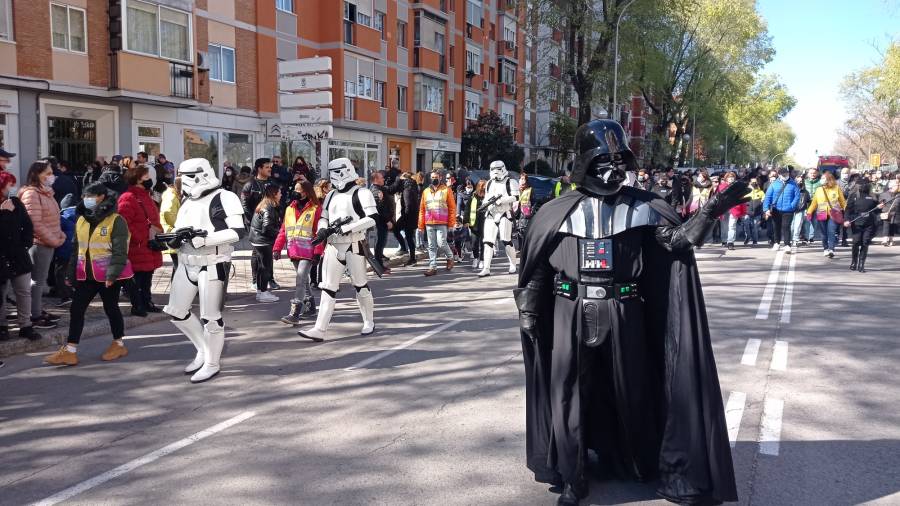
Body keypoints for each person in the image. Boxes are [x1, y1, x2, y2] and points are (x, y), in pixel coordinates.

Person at [515, 119, 739, 506]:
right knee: (568, 394)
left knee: (633, 387)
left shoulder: (645, 208)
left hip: (625, 312)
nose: (615, 169)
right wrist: (530, 309)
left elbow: (677, 243)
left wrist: (713, 210)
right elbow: (537, 266)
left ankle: (638, 461)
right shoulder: (555, 211)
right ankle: (573, 477)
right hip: (569, 310)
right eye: (606, 159)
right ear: (586, 161)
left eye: (621, 160)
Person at [163, 158, 246, 384]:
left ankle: (212, 362)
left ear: (202, 174)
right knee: (176, 311)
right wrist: (171, 241)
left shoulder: (225, 197)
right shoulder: (188, 201)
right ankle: (203, 351)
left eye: (187, 176)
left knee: (211, 317)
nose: (183, 181)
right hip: (186, 262)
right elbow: (179, 232)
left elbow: (238, 231)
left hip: (213, 261)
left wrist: (207, 239)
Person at [44, 183, 133, 366]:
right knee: (76, 309)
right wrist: (71, 274)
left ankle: (118, 343)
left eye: (91, 195)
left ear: (102, 197)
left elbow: (120, 250)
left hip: (108, 276)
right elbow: (76, 249)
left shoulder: (116, 220)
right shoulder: (82, 220)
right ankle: (70, 351)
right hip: (86, 276)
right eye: (85, 195)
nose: (87, 199)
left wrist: (112, 274)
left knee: (111, 308)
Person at [297, 158, 377, 342]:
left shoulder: (362, 193)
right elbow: (324, 216)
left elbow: (372, 218)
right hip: (333, 245)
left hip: (354, 244)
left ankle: (368, 321)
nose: (334, 176)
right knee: (328, 288)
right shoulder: (331, 195)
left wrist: (349, 228)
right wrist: (323, 229)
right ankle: (319, 328)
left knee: (360, 285)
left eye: (337, 172)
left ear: (346, 170)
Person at [19, 161, 65, 329]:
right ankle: (34, 315)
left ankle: (36, 310)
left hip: (50, 241)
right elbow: (35, 223)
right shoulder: (32, 194)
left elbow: (54, 217)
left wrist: (59, 235)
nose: (51, 176)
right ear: (37, 174)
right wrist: (53, 239)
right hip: (40, 243)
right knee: (37, 281)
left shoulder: (46, 192)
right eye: (47, 172)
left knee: (40, 280)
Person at [117, 164, 164, 316]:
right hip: (137, 245)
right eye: (146, 177)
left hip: (149, 244)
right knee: (137, 278)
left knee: (148, 276)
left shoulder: (146, 195)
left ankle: (147, 302)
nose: (149, 179)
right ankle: (137, 305)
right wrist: (139, 237)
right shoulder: (128, 198)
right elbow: (124, 223)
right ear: (137, 179)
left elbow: (153, 218)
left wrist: (157, 231)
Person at [274, 180, 322, 324]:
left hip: (308, 252)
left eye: (298, 189)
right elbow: (283, 230)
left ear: (306, 192)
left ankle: (295, 313)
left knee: (300, 279)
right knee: (304, 280)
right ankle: (311, 307)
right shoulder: (289, 209)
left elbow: (319, 232)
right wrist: (277, 248)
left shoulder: (315, 209)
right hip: (294, 251)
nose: (294, 191)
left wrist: (318, 252)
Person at [0, 171, 41, 342]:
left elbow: (27, 225)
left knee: (23, 290)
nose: (12, 187)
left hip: (18, 254)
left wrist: (26, 243)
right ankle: (2, 327)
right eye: (9, 184)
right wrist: (2, 211)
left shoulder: (16, 202)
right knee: (1, 293)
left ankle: (25, 325)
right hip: (1, 256)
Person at [478, 160, 520, 277]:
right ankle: (486, 267)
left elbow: (516, 197)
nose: (495, 172)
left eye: (498, 169)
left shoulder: (510, 182)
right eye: (493, 169)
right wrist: (488, 203)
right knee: (487, 241)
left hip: (504, 213)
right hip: (491, 213)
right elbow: (486, 198)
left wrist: (502, 200)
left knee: (506, 240)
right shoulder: (490, 183)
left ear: (503, 169)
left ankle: (512, 264)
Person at [241, 158, 278, 290]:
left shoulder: (273, 183)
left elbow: (277, 202)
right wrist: (253, 222)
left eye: (270, 167)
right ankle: (255, 280)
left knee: (269, 250)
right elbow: (245, 205)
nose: (270, 169)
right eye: (267, 167)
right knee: (257, 252)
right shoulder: (249, 185)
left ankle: (270, 279)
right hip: (255, 225)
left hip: (270, 224)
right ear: (259, 168)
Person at [418, 171, 457, 277]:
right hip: (429, 222)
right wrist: (420, 225)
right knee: (431, 246)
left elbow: (452, 208)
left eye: (436, 177)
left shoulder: (446, 190)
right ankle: (432, 267)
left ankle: (450, 257)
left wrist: (451, 223)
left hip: (442, 222)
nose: (434, 179)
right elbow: (422, 209)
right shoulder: (425, 191)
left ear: (440, 177)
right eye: (432, 177)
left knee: (441, 243)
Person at [249, 184, 282, 302]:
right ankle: (263, 293)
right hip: (263, 241)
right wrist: (280, 233)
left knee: (261, 267)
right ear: (274, 194)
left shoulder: (264, 204)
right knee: (265, 267)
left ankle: (260, 291)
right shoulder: (268, 207)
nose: (281, 195)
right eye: (279, 192)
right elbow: (267, 227)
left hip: (257, 239)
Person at [806, 171, 846, 258]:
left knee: (831, 231)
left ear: (829, 179)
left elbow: (842, 201)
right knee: (824, 233)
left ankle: (831, 249)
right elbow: (814, 203)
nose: (821, 180)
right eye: (821, 178)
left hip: (834, 212)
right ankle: (825, 249)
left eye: (823, 178)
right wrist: (809, 212)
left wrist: (847, 210)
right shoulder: (819, 189)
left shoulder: (836, 188)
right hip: (821, 212)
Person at [844, 181, 883, 273]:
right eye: (861, 185)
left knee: (865, 243)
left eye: (865, 185)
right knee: (856, 242)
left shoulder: (873, 197)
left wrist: (879, 208)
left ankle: (862, 264)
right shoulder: (853, 196)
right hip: (856, 223)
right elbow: (848, 210)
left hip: (869, 223)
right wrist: (846, 220)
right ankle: (854, 262)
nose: (863, 186)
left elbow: (876, 211)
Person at [388, 165, 420, 266]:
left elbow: (409, 204)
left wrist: (405, 217)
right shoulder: (412, 185)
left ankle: (408, 253)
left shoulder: (407, 188)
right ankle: (411, 256)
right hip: (412, 216)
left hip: (408, 216)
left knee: (397, 230)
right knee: (409, 237)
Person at [763, 167, 800, 253]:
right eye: (783, 175)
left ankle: (787, 245)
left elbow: (797, 196)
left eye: (787, 174)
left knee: (786, 227)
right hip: (776, 209)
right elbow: (768, 197)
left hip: (788, 210)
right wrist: (766, 209)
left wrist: (792, 206)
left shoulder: (793, 184)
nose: (785, 176)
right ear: (779, 175)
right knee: (776, 227)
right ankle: (777, 243)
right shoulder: (774, 184)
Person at [369, 170, 394, 273]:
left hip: (382, 221)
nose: (383, 179)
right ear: (376, 179)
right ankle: (379, 266)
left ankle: (379, 265)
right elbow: (380, 208)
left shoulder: (379, 189)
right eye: (381, 177)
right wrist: (387, 220)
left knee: (380, 243)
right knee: (380, 243)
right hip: (380, 222)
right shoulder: (376, 191)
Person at [159, 176, 182, 270]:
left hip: (173, 233)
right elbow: (168, 213)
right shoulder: (172, 196)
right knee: (178, 268)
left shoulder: (173, 195)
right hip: (173, 234)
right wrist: (179, 226)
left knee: (178, 268)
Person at [720, 171, 748, 250]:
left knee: (732, 226)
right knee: (724, 226)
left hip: (734, 208)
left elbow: (742, 198)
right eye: (729, 177)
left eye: (732, 177)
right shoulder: (721, 186)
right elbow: (718, 198)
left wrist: (744, 210)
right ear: (726, 178)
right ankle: (724, 240)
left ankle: (730, 242)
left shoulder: (738, 187)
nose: (731, 178)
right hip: (723, 209)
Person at [466, 180, 488, 270]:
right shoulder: (473, 198)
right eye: (483, 186)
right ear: (479, 187)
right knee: (474, 243)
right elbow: (467, 210)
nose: (484, 188)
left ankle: (482, 260)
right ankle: (475, 258)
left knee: (483, 243)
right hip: (474, 224)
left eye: (485, 186)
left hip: (485, 224)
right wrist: (465, 221)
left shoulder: (488, 197)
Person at [791, 175, 812, 248]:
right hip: (791, 210)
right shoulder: (791, 190)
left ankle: (795, 240)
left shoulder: (805, 192)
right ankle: (791, 239)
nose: (799, 182)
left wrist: (807, 210)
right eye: (798, 181)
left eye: (801, 181)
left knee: (797, 226)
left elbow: (809, 201)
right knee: (791, 226)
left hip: (801, 210)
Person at [880, 176, 900, 246]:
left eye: (898, 185)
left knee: (893, 226)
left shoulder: (898, 194)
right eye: (897, 185)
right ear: (891, 187)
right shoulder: (884, 194)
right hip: (886, 212)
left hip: (896, 213)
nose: (898, 186)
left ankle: (891, 239)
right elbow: (880, 202)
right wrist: (881, 205)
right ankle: (885, 239)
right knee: (886, 225)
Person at [517, 172, 534, 249]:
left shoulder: (529, 190)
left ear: (526, 180)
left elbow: (533, 201)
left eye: (523, 179)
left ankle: (524, 248)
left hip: (526, 213)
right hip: (517, 213)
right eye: (521, 178)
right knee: (518, 231)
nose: (522, 180)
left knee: (523, 231)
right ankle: (520, 248)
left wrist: (531, 212)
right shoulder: (517, 189)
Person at [746, 178, 765, 245]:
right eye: (752, 182)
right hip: (747, 212)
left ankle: (755, 240)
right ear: (750, 183)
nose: (754, 183)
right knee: (746, 226)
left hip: (757, 212)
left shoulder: (761, 192)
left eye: (755, 182)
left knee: (755, 227)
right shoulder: (746, 191)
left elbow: (763, 200)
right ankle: (748, 237)